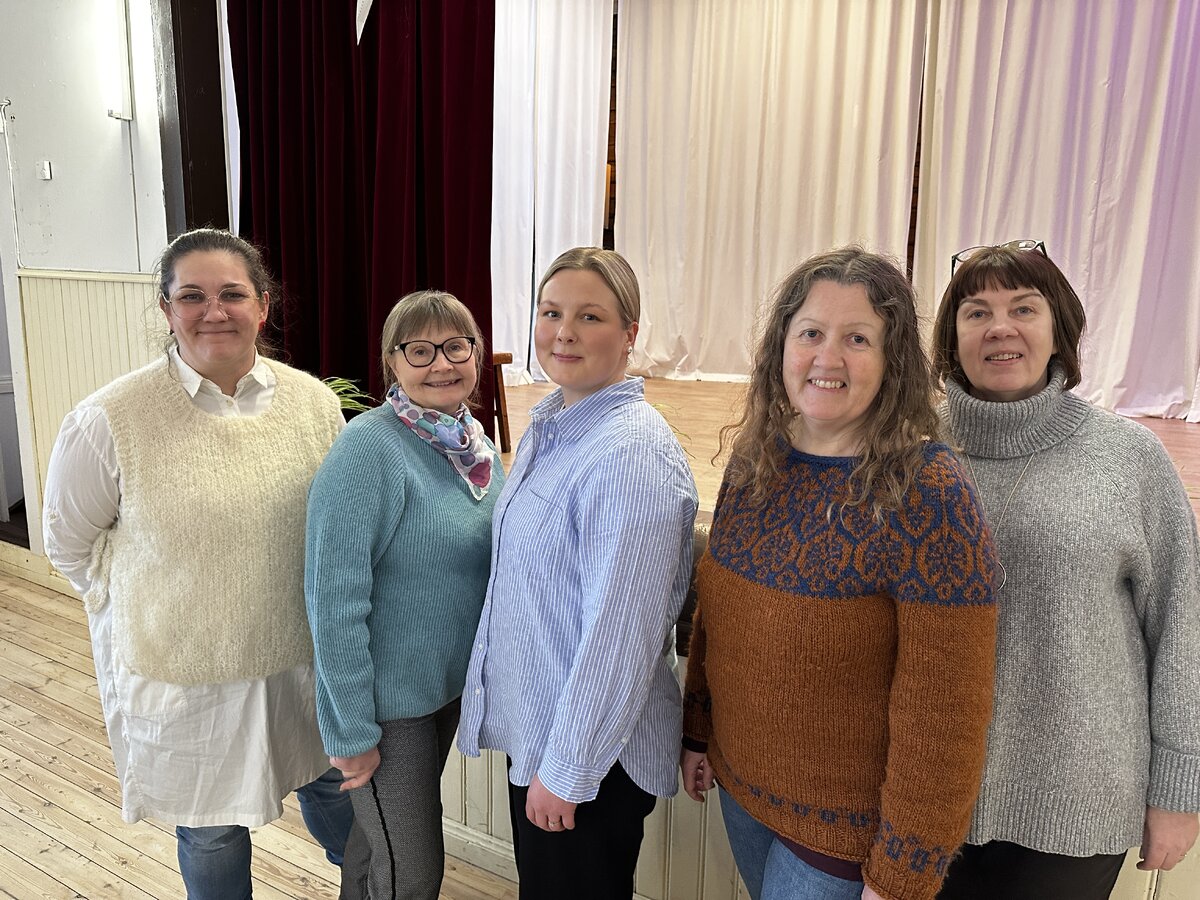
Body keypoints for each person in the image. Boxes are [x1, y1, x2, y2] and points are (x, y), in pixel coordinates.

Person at [41, 228, 353, 899]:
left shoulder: (314, 406)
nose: (214, 311)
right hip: (188, 673)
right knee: (212, 831)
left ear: (262, 305)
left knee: (334, 789)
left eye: (232, 294)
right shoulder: (110, 418)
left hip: (300, 656)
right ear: (166, 309)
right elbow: (69, 543)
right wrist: (168, 603)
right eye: (192, 296)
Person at [679, 246, 999, 900]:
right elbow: (719, 617)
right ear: (782, 348)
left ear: (892, 359)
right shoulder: (755, 463)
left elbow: (946, 712)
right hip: (742, 792)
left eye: (857, 338)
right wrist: (698, 730)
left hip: (845, 838)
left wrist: (904, 871)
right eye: (811, 334)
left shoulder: (929, 494)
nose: (828, 358)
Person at [931, 240, 1200, 900]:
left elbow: (1182, 629)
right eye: (976, 312)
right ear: (952, 338)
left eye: (1023, 308)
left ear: (1059, 329)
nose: (1000, 327)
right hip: (925, 799)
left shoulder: (1127, 457)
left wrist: (1179, 789)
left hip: (1075, 804)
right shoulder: (909, 450)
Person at [457, 247, 698, 899]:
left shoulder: (629, 457)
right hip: (550, 736)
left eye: (589, 316)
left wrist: (568, 769)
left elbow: (618, 640)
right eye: (550, 312)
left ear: (629, 334)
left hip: (591, 760)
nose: (563, 332)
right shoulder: (559, 424)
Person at [305, 290, 505, 899]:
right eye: (419, 351)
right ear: (391, 361)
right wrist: (350, 733)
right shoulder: (369, 449)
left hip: (445, 689)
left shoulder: (473, 445)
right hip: (389, 708)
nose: (441, 363)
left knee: (377, 848)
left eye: (456, 346)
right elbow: (333, 602)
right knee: (412, 874)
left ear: (476, 354)